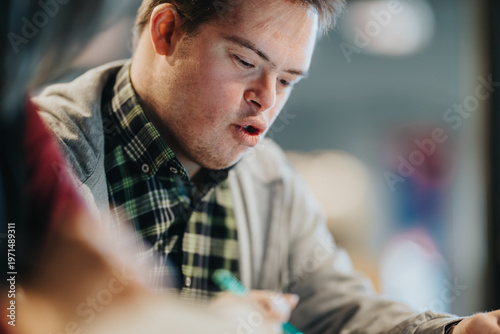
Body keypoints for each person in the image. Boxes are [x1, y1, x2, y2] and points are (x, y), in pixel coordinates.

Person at [34, 0, 500, 333]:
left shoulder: (272, 180)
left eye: (287, 79)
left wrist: (452, 333)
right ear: (167, 31)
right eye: (245, 61)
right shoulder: (42, 154)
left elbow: (341, 313)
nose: (267, 99)